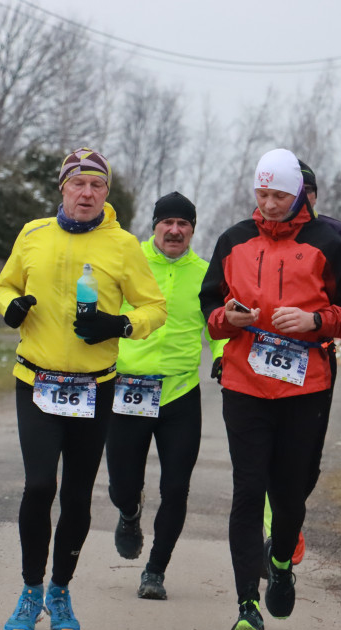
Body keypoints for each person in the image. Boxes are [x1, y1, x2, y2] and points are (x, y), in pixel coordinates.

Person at [0, 147, 167, 630]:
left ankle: (61, 590)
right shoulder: (33, 234)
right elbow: (4, 285)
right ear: (62, 189)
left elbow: (154, 307)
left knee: (75, 497)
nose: (86, 193)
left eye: (96, 186)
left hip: (95, 388)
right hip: (37, 381)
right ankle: (30, 591)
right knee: (39, 486)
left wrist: (121, 324)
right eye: (78, 184)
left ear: (106, 194)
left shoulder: (123, 245)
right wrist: (12, 308)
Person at [200, 148, 341, 630]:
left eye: (279, 195)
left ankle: (279, 563)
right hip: (244, 383)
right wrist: (226, 320)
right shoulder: (233, 239)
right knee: (248, 490)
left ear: (298, 193)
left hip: (306, 386)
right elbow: (210, 306)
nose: (269, 204)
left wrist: (317, 321)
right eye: (262, 193)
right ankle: (246, 608)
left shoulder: (328, 242)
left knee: (291, 492)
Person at [106, 191, 225, 600]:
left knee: (176, 488)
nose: (175, 230)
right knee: (122, 483)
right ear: (154, 225)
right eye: (167, 222)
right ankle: (129, 511)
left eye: (183, 224)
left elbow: (217, 324)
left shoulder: (206, 273)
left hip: (179, 393)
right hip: (128, 388)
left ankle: (155, 570)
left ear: (193, 229)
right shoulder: (129, 262)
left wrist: (222, 355)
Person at [260, 160, 341, 566]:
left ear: (313, 196)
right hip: (260, 359)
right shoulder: (258, 232)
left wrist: (318, 317)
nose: (301, 199)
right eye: (295, 190)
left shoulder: (338, 235)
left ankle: (289, 515)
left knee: (304, 463)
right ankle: (276, 531)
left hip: (315, 358)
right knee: (262, 454)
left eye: (307, 191)